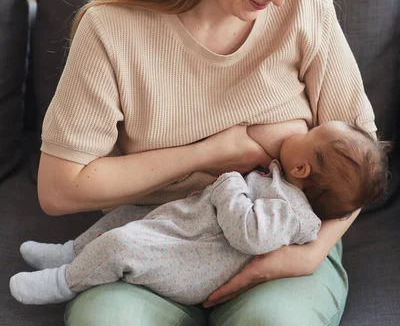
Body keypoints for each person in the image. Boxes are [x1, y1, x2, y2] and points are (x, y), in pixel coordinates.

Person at [36, 0, 378, 326]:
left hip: (278, 249)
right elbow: (59, 189)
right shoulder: (112, 30)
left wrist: (309, 255)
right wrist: (208, 153)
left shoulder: (306, 13)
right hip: (154, 242)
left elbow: (361, 158)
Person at [10, 121, 388, 306]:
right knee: (125, 216)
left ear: (303, 169)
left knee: (122, 244)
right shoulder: (283, 179)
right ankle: (71, 251)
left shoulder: (293, 214)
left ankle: (64, 282)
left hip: (190, 264)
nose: (301, 129)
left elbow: (249, 234)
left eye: (310, 132)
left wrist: (229, 184)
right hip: (185, 225)